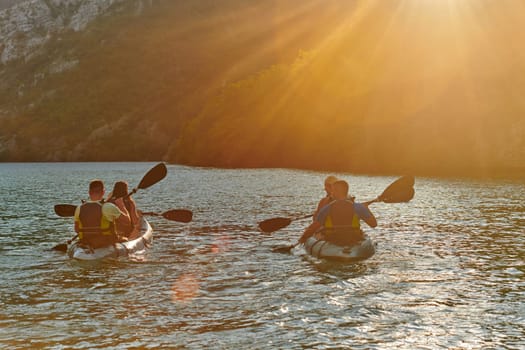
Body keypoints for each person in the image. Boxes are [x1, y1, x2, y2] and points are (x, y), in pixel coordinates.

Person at [299, 179, 377, 245]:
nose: (331, 193)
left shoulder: (327, 208)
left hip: (333, 239)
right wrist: (367, 209)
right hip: (353, 239)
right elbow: (373, 224)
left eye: (333, 191)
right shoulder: (359, 207)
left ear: (336, 191)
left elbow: (314, 226)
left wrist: (303, 238)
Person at [74, 179, 131, 248]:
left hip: (86, 241)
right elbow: (127, 221)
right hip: (105, 242)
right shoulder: (108, 206)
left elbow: (76, 229)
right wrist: (121, 205)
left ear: (89, 192)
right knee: (126, 239)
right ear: (103, 192)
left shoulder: (79, 208)